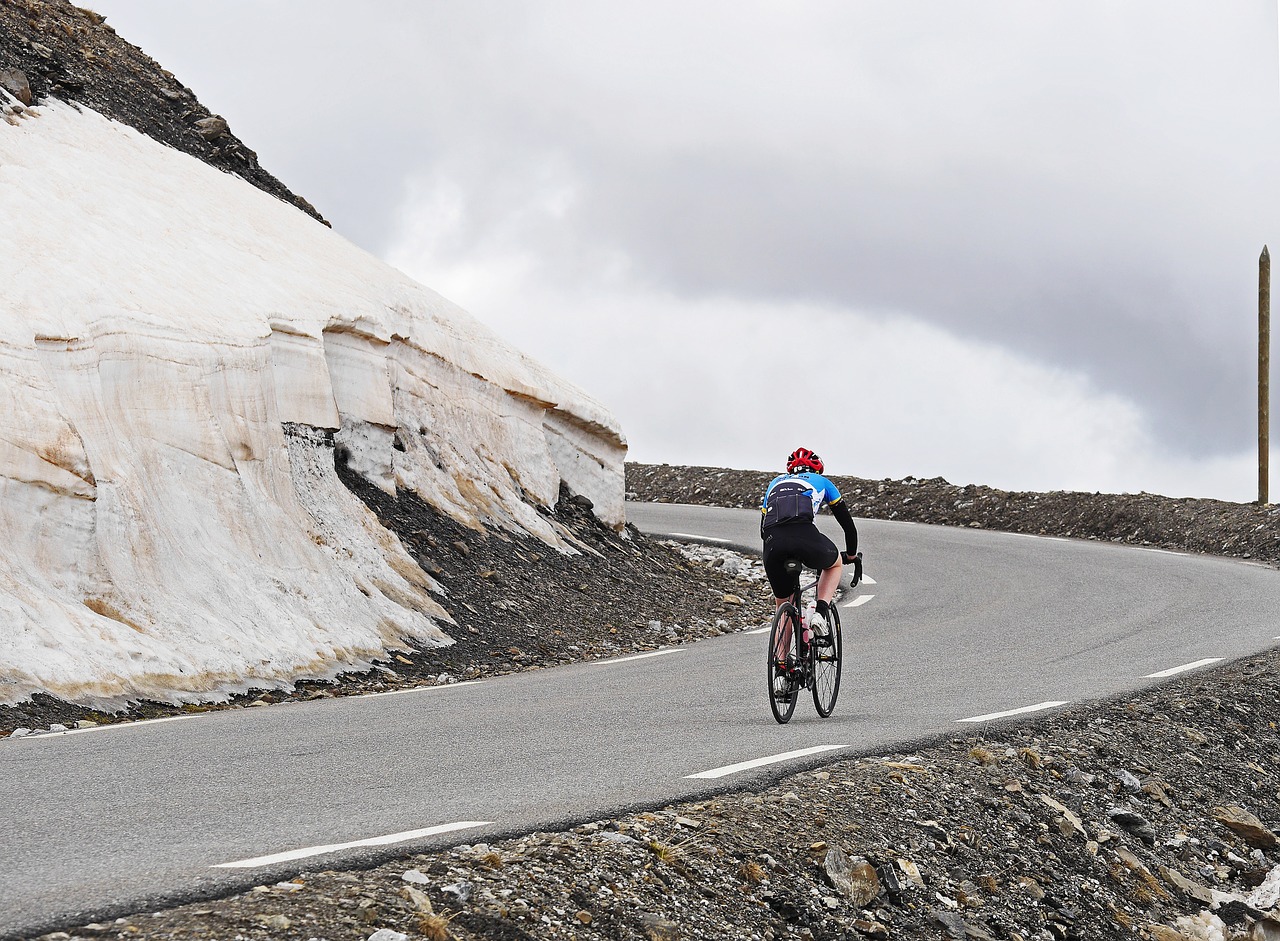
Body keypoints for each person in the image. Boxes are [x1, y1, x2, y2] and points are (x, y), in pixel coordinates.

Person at [760, 447, 861, 649]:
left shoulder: (775, 482)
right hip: (803, 534)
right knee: (834, 564)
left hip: (773, 542)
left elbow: (763, 529)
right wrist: (850, 555)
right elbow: (848, 526)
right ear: (817, 469)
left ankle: (781, 664)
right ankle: (820, 614)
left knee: (783, 603)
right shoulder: (823, 482)